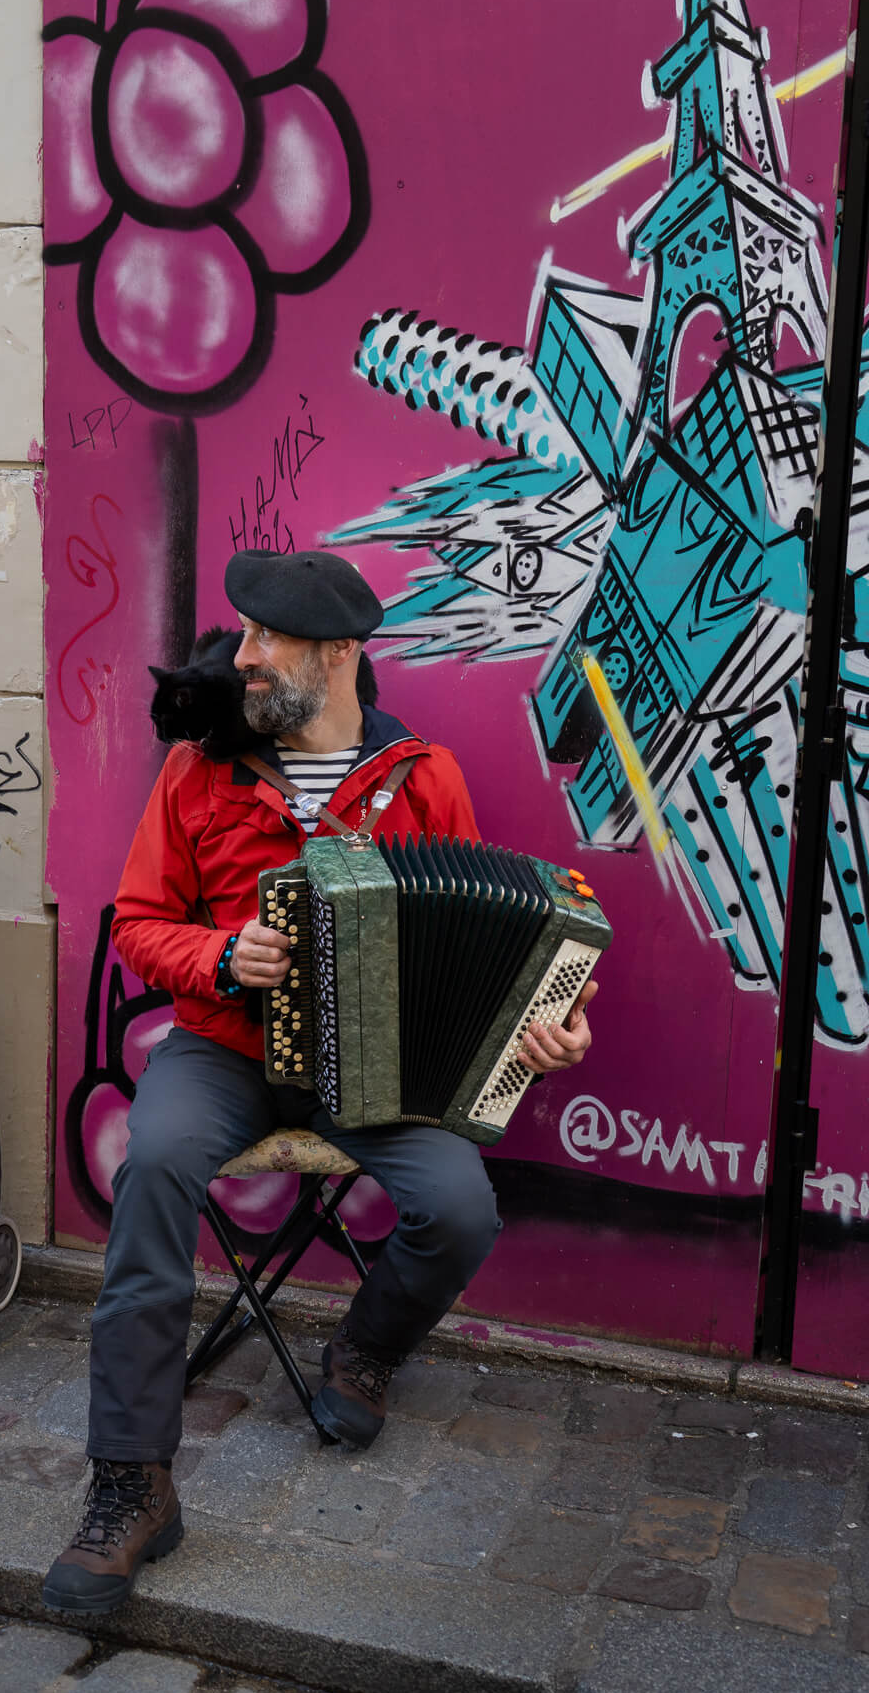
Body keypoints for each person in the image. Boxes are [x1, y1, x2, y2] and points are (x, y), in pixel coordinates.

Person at [42, 548, 597, 1615]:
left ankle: (368, 1346)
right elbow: (137, 923)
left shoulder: (421, 778)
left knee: (459, 1208)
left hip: (377, 1066)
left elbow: (483, 934)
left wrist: (543, 1025)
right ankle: (129, 1483)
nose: (239, 656)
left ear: (336, 655)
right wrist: (218, 958)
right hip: (226, 1052)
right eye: (240, 633)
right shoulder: (199, 768)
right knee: (153, 1168)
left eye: (265, 639)